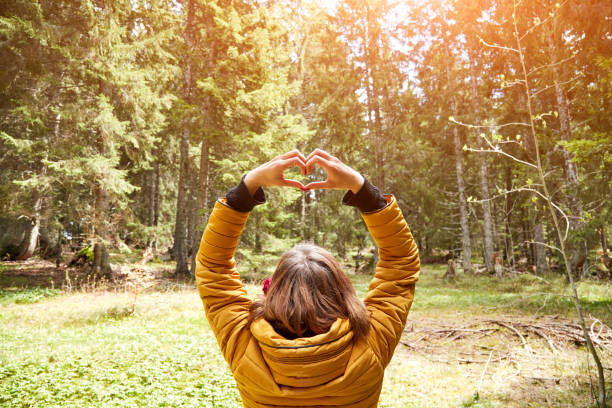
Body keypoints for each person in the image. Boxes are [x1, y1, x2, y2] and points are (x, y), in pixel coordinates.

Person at [195, 149, 420, 407]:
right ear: (341, 289)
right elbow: (401, 263)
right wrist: (362, 189)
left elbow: (213, 269)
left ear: (276, 290)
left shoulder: (244, 343)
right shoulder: (371, 341)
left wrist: (248, 187)